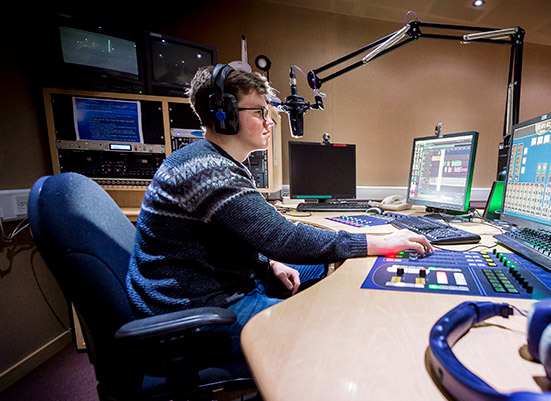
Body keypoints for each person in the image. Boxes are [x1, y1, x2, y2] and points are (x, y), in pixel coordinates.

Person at [126, 64, 433, 352]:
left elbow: (239, 237)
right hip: (199, 311)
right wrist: (380, 243)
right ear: (225, 114)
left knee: (321, 268)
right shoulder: (208, 170)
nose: (269, 121)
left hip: (216, 284)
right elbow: (282, 238)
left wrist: (268, 263)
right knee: (335, 330)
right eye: (259, 112)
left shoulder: (211, 162)